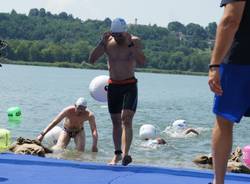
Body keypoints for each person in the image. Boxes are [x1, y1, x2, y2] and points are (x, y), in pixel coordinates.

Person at [89, 18, 145, 165]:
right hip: (114, 85)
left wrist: (131, 45)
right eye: (115, 34)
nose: (117, 37)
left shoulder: (134, 41)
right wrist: (102, 42)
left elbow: (143, 62)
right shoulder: (108, 42)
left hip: (129, 85)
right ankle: (117, 154)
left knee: (126, 118)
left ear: (125, 32)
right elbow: (92, 59)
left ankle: (126, 154)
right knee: (115, 122)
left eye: (120, 34)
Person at [208, 0, 249, 183]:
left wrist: (214, 64)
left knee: (224, 123)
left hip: (240, 61)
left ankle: (219, 182)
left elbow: (230, 20)